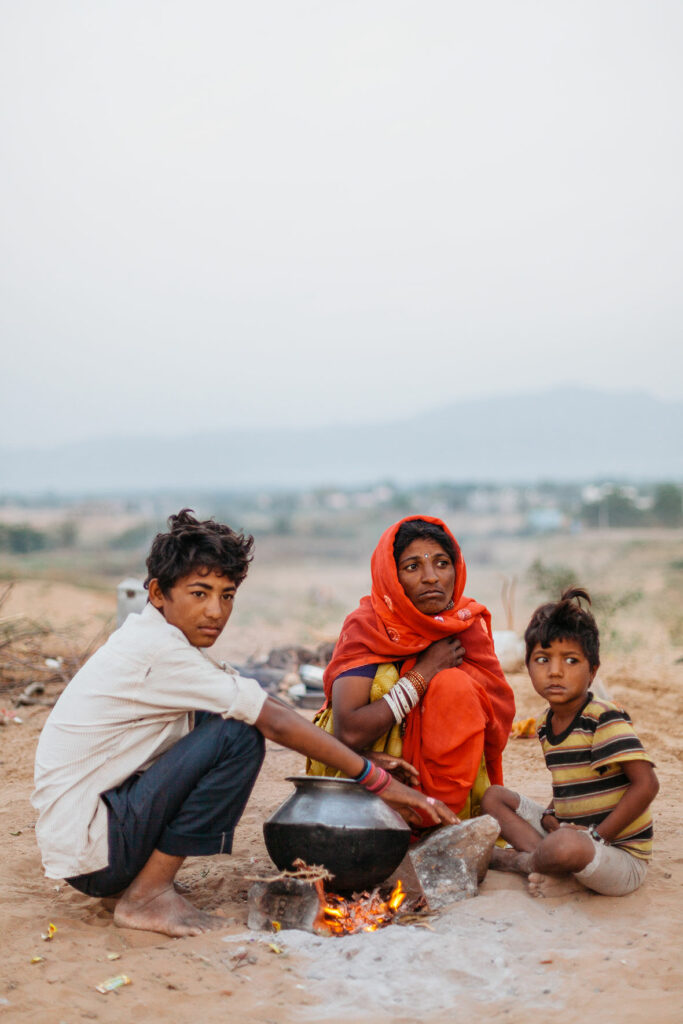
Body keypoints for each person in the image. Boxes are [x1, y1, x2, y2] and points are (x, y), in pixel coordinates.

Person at [32, 510, 456, 939]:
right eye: (199, 593)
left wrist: (357, 757)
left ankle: (135, 884)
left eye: (227, 595)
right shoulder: (159, 652)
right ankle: (147, 896)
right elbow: (270, 720)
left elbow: (265, 702)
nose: (216, 611)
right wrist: (381, 784)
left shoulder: (162, 640)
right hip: (97, 849)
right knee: (238, 736)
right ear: (158, 593)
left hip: (93, 841)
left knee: (230, 716)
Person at [307, 516, 516, 821]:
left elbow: (496, 725)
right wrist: (423, 674)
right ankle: (406, 815)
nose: (431, 577)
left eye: (442, 563)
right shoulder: (369, 627)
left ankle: (438, 817)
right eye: (412, 566)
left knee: (455, 685)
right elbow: (349, 732)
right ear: (391, 575)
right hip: (361, 773)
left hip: (450, 785)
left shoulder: (464, 626)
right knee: (388, 677)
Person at [481, 587, 659, 897]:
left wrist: (597, 837)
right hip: (571, 834)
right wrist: (551, 814)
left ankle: (523, 862)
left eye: (571, 660)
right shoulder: (545, 724)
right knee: (494, 797)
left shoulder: (603, 718)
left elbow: (647, 785)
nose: (555, 671)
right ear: (527, 667)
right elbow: (572, 783)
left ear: (592, 672)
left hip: (617, 855)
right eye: (542, 659)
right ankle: (552, 863)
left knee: (566, 845)